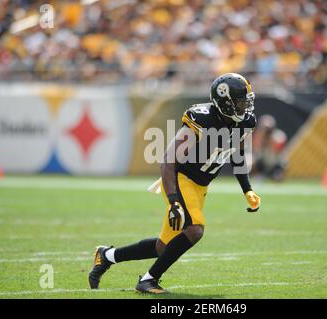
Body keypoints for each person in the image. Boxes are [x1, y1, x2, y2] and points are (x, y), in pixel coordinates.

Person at [88, 73, 261, 294]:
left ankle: (107, 256)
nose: (244, 108)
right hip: (180, 180)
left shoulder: (245, 122)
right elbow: (168, 162)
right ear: (224, 103)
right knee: (195, 229)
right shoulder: (201, 119)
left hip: (201, 186)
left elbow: (237, 155)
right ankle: (148, 280)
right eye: (239, 103)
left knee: (164, 247)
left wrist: (247, 189)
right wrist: (173, 201)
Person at [252, 114, 288, 182]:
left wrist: (269, 139)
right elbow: (256, 150)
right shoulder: (259, 136)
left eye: (268, 129)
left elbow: (276, 151)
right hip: (263, 161)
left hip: (276, 162)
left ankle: (276, 174)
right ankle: (259, 175)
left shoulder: (279, 136)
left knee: (278, 178)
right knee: (251, 160)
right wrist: (262, 138)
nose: (266, 131)